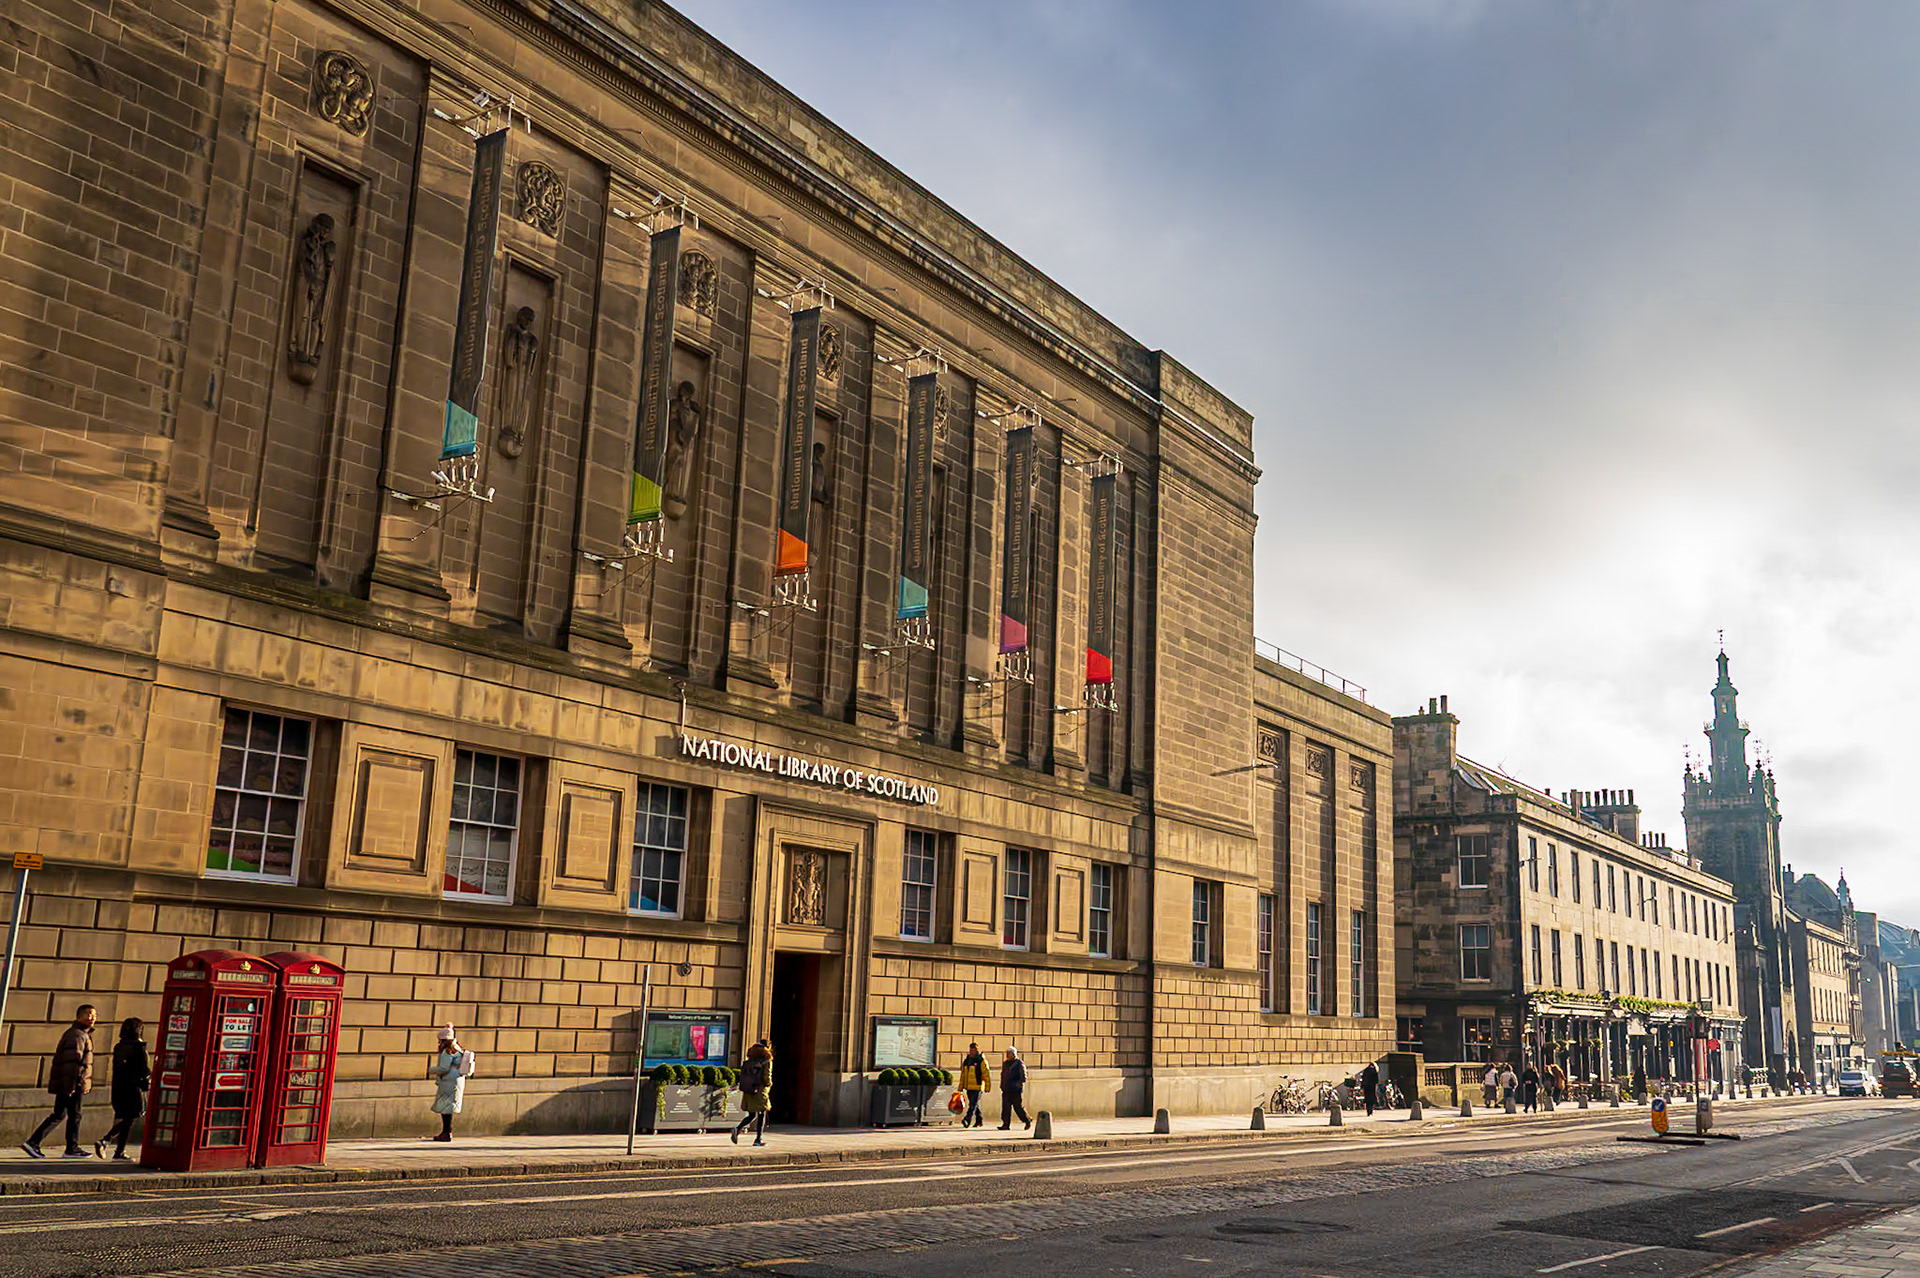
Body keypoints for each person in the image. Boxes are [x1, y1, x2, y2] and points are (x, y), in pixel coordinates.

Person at [23, 1004, 96, 1159]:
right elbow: (72, 1063)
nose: (93, 1018)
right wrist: (70, 1086)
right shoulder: (77, 1035)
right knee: (74, 1115)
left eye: (94, 1015)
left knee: (60, 1114)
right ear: (79, 1017)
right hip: (72, 1083)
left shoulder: (79, 1034)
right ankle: (71, 1148)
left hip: (69, 1083)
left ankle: (34, 1142)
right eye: (89, 1014)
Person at [95, 1018, 149, 1160]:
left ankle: (118, 1151)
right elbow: (144, 1070)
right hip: (133, 1088)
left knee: (127, 1119)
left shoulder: (119, 1046)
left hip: (119, 1087)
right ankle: (106, 1140)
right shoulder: (139, 1047)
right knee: (131, 1118)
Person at [428, 1025, 475, 1142]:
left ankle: (446, 1132)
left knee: (446, 1108)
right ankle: (448, 1131)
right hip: (457, 1080)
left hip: (448, 1081)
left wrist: (431, 1070)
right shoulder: (458, 1049)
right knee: (450, 1107)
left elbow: (444, 1068)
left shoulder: (447, 1051)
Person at [732, 1039, 772, 1146]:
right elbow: (767, 1077)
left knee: (751, 1114)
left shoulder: (750, 1060)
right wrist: (769, 1084)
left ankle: (738, 1128)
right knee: (761, 1114)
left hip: (749, 1090)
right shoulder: (766, 1061)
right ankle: (758, 1139)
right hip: (759, 1090)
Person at [958, 1042, 991, 1129]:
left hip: (978, 1086)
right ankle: (979, 1120)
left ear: (977, 1050)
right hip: (969, 1086)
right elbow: (963, 1075)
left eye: (974, 1050)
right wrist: (961, 1087)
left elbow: (986, 1074)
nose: (972, 1052)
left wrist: (987, 1086)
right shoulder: (967, 1061)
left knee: (972, 1104)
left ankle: (967, 1119)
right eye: (971, 1050)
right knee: (974, 1104)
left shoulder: (981, 1061)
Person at [998, 1047, 1031, 1131]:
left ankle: (1027, 1120)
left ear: (1014, 1054)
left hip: (1016, 1090)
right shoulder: (1005, 1063)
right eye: (1007, 1053)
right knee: (1005, 1107)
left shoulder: (1019, 1063)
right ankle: (1005, 1124)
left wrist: (1017, 1084)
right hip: (1006, 1089)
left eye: (1009, 1053)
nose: (1008, 1055)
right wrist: (1002, 1085)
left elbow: (1023, 1077)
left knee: (1017, 1107)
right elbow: (1003, 1075)